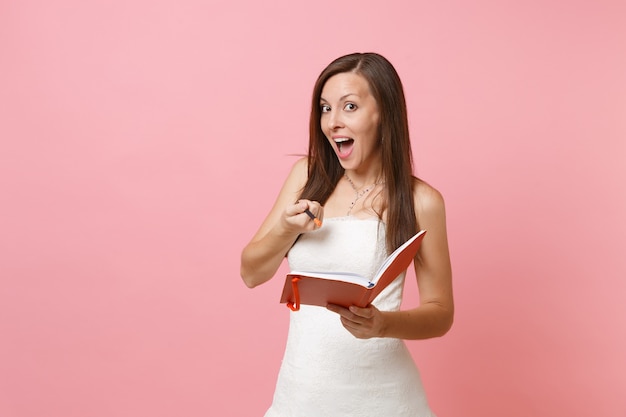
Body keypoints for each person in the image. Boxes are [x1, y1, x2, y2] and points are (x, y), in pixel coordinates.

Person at [240, 52, 454, 417]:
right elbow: (251, 273)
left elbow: (440, 313)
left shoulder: (422, 201)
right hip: (302, 395)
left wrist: (382, 324)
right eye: (325, 109)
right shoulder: (305, 177)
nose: (333, 122)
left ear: (383, 113)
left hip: (385, 399)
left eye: (349, 107)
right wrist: (286, 228)